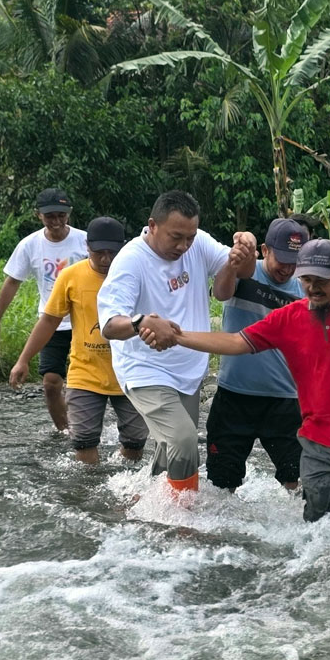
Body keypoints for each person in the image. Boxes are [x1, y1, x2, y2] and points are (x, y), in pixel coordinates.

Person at [144, 239, 330, 522]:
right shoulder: (289, 318)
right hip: (318, 434)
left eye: (322, 280)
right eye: (305, 279)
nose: (313, 287)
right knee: (318, 518)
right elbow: (234, 342)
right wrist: (178, 336)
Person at [96, 190, 256, 498]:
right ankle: (184, 520)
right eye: (176, 237)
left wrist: (244, 249)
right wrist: (141, 322)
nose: (183, 246)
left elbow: (240, 275)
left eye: (190, 238)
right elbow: (109, 326)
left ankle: (148, 509)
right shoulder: (130, 261)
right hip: (144, 370)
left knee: (171, 453)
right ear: (153, 226)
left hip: (189, 369)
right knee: (183, 442)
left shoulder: (197, 243)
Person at [8, 217, 147, 464]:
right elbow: (49, 321)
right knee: (83, 441)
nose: (105, 259)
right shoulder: (71, 276)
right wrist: (23, 360)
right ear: (87, 247)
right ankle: (88, 494)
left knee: (136, 443)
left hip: (130, 372)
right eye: (99, 253)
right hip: (85, 373)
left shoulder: (137, 273)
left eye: (112, 253)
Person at [206, 218, 309, 492]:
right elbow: (221, 292)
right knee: (221, 482)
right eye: (282, 259)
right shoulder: (246, 273)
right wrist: (233, 261)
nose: (287, 268)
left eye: (295, 261)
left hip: (286, 401)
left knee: (297, 479)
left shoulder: (306, 289)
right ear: (265, 250)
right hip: (234, 397)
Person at [0, 187, 88, 431]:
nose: (56, 221)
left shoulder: (85, 241)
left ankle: (87, 430)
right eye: (50, 216)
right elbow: (12, 282)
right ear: (38, 215)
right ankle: (65, 433)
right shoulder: (30, 245)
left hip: (86, 322)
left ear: (69, 214)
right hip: (51, 323)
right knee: (51, 383)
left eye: (61, 216)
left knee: (85, 382)